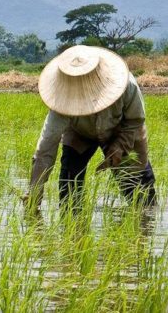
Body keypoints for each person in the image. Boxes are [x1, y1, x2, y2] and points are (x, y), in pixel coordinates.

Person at [22, 45, 156, 215]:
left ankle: (144, 226)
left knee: (141, 193)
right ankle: (73, 232)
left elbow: (135, 120)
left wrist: (119, 146)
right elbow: (45, 149)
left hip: (121, 130)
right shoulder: (60, 102)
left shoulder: (126, 85)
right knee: (69, 189)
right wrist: (34, 192)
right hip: (79, 134)